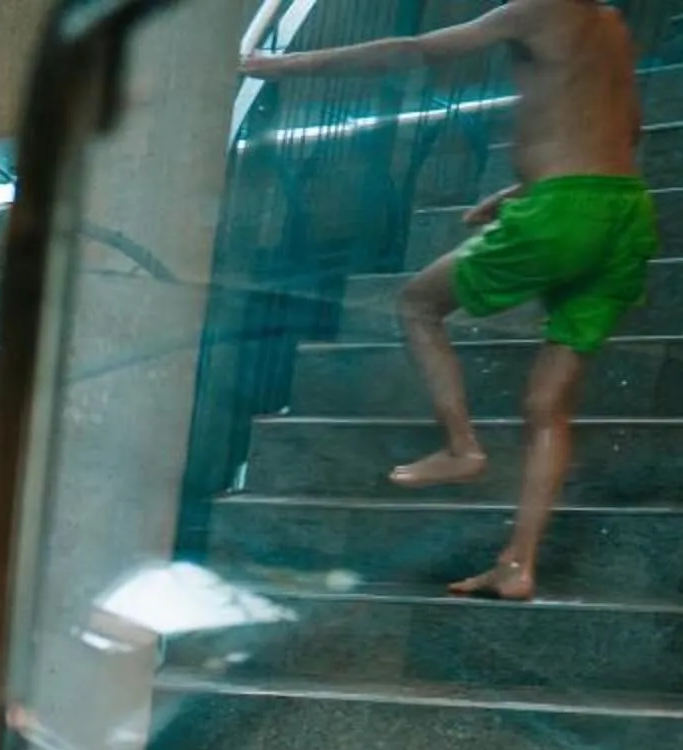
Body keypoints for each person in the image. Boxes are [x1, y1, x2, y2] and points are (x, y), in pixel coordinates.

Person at [242, 0, 652, 599]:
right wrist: (520, 191)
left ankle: (462, 446)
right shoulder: (610, 25)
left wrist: (280, 66)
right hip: (625, 212)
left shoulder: (535, 9)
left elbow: (415, 50)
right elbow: (626, 129)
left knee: (417, 305)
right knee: (548, 406)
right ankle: (518, 564)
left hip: (563, 211)